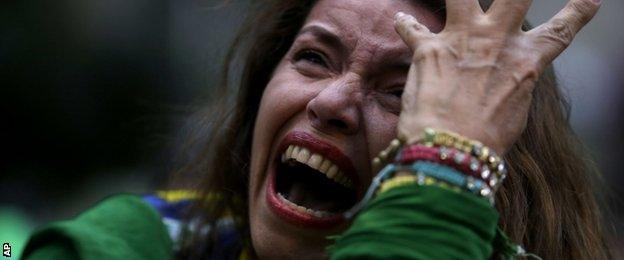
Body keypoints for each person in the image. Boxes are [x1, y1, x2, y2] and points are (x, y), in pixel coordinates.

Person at [21, 0, 610, 259]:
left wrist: (446, 164)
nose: (331, 101)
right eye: (313, 57)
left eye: (402, 91)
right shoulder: (130, 244)